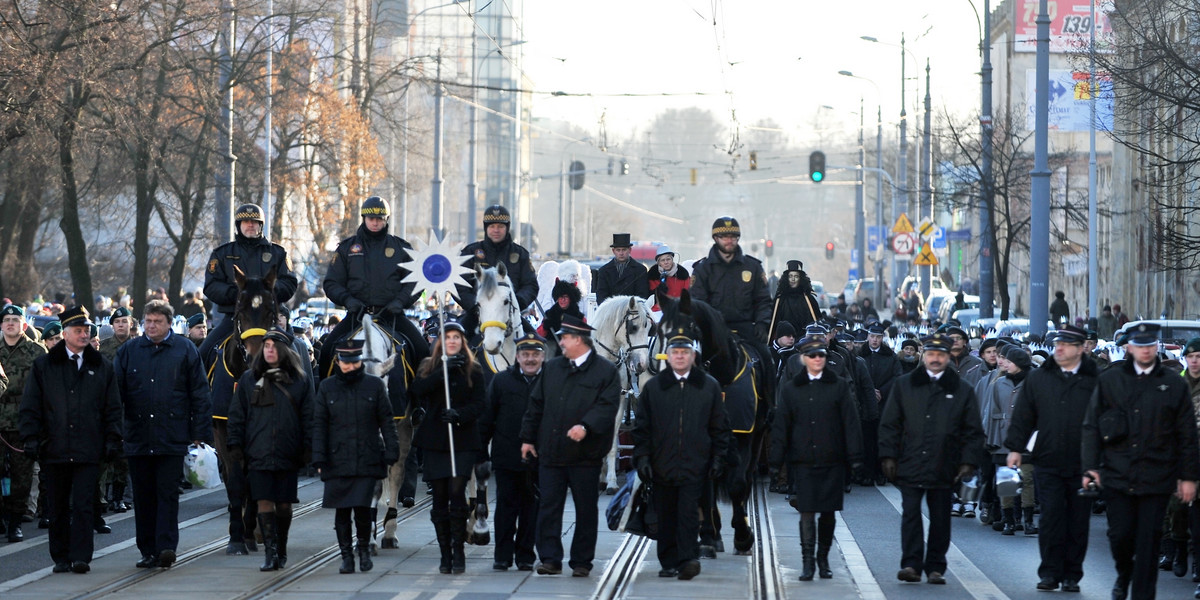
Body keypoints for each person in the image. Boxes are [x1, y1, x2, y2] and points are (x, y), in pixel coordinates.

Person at [1082, 322, 1199, 600]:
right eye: (1139, 345)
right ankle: (1124, 574)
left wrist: (1188, 476)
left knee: (1148, 541)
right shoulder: (1111, 380)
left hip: (1157, 474)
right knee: (1120, 536)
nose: (1145, 351)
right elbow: (1092, 426)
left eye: (1150, 345)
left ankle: (1143, 594)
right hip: (1117, 473)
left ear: (1155, 347)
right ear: (1129, 347)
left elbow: (1186, 434)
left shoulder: (1172, 384)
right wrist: (1090, 467)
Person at [18, 306, 122, 573]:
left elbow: (112, 407)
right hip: (54, 447)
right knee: (58, 506)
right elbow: (31, 405)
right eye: (78, 330)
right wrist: (30, 437)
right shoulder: (44, 365)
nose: (84, 335)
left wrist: (112, 438)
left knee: (85, 505)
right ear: (65, 334)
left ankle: (81, 557)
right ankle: (61, 556)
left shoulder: (102, 367)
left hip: (89, 447)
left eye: (86, 330)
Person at [878, 333, 986, 585]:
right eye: (931, 354)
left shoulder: (961, 389)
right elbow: (890, 424)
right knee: (911, 515)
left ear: (948, 357)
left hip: (945, 464)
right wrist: (888, 455)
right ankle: (911, 564)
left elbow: (972, 429)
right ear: (923, 356)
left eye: (940, 355)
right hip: (910, 461)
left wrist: (968, 461)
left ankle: (936, 566)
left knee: (940, 518)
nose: (935, 359)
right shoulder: (905, 384)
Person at [114, 299, 212, 568]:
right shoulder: (129, 351)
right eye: (148, 321)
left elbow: (199, 394)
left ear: (169, 323)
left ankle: (166, 546)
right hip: (138, 435)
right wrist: (117, 430)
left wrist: (199, 433)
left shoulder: (185, 350)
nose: (152, 326)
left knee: (167, 494)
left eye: (158, 322)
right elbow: (115, 394)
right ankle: (147, 549)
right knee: (144, 497)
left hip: (172, 436)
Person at [519, 315, 620, 578]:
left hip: (585, 456)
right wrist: (528, 439)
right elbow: (536, 405)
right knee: (549, 507)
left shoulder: (605, 371)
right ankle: (550, 559)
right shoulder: (552, 368)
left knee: (585, 509)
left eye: (564, 337)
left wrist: (586, 426)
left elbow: (607, 407)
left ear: (579, 340)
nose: (560, 342)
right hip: (551, 453)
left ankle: (581, 562)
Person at [1003, 325, 1098, 592]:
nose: (1058, 348)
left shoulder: (1095, 381)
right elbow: (1024, 415)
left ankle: (1071, 575)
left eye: (1066, 345)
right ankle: (1049, 573)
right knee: (1051, 518)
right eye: (1057, 343)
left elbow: (1106, 421)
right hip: (1048, 459)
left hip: (1083, 463)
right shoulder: (1039, 378)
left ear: (1080, 349)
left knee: (1078, 522)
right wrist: (1015, 448)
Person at [632, 327, 731, 581]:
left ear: (693, 356)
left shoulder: (708, 387)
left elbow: (719, 427)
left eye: (684, 352)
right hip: (661, 465)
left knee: (688, 515)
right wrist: (642, 458)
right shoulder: (654, 388)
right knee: (666, 517)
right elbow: (642, 428)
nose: (679, 356)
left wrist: (719, 458)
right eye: (674, 352)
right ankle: (668, 561)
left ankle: (688, 559)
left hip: (695, 465)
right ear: (668, 356)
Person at [771, 335, 863, 582]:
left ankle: (823, 558)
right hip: (803, 460)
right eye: (812, 355)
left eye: (821, 355)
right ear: (803, 359)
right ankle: (808, 561)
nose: (817, 359)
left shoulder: (839, 386)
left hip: (832, 459)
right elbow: (782, 425)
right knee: (807, 512)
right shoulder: (792, 389)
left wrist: (854, 457)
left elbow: (850, 423)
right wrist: (775, 460)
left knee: (829, 513)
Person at [226, 327, 313, 572]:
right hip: (258, 452)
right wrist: (235, 445)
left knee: (284, 505)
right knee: (264, 501)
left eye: (274, 346)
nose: (270, 349)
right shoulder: (249, 379)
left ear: (285, 351)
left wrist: (309, 448)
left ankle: (281, 547)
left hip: (287, 453)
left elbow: (310, 417)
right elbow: (237, 415)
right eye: (266, 346)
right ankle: (270, 552)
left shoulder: (300, 381)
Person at [311, 340, 400, 574]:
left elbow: (387, 421)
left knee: (362, 509)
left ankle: (363, 550)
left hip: (367, 457)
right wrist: (318, 457)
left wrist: (392, 450)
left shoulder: (374, 385)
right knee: (341, 512)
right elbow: (319, 424)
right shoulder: (327, 387)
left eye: (353, 362)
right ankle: (346, 556)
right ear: (338, 362)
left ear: (360, 360)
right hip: (337, 458)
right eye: (344, 362)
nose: (349, 367)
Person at [320, 195, 429, 378]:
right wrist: (349, 300)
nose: (375, 223)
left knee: (423, 351)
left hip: (391, 316)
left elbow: (415, 281)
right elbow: (331, 283)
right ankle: (322, 401)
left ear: (386, 220)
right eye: (372, 219)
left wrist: (399, 302)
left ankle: (421, 405)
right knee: (326, 351)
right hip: (357, 316)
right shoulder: (347, 248)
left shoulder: (401, 248)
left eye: (380, 219)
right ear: (364, 219)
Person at [410, 319, 486, 575]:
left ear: (462, 341)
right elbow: (418, 390)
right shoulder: (428, 366)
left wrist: (460, 415)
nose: (452, 341)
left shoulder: (473, 369)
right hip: (435, 440)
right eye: (448, 337)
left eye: (456, 337)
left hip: (463, 440)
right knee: (440, 496)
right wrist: (441, 371)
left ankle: (459, 551)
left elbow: (479, 404)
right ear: (441, 341)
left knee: (457, 491)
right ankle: (445, 553)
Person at [199, 203, 298, 361]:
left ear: (261, 225)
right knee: (202, 355)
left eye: (254, 221)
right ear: (239, 226)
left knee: (300, 354)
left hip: (269, 318)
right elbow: (211, 285)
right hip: (234, 317)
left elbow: (290, 282)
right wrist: (237, 294)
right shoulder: (222, 253)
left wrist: (267, 292)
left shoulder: (277, 253)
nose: (250, 225)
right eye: (246, 222)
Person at [480, 332, 545, 572]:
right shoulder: (501, 381)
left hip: (539, 458)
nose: (530, 359)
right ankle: (502, 556)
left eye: (535, 355)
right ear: (516, 356)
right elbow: (487, 418)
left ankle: (526, 555)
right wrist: (480, 453)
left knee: (532, 508)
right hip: (507, 456)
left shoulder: (549, 380)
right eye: (525, 354)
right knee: (506, 507)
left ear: (542, 356)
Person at [0, 304, 47, 542]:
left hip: (23, 420)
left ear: (23, 325)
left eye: (15, 320)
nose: (10, 323)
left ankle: (15, 521)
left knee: (21, 476)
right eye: (6, 319)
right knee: (1, 475)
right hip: (0, 419)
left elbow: (46, 388)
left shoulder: (36, 352)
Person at [457, 205, 539, 336]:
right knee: (452, 347)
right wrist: (476, 306)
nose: (496, 230)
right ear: (486, 228)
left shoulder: (520, 254)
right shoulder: (470, 253)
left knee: (537, 345)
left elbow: (531, 285)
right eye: (492, 226)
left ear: (507, 228)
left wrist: (515, 303)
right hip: (475, 316)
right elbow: (460, 285)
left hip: (510, 315)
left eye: (500, 226)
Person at [986, 346, 1034, 535]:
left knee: (1027, 478)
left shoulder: (1033, 381)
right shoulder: (999, 383)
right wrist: (992, 437)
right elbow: (992, 411)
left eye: (1009, 361)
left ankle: (1027, 519)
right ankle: (1008, 520)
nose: (1003, 363)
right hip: (1004, 436)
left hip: (1028, 436)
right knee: (1007, 479)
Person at [859, 323, 900, 484]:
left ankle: (881, 473)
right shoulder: (860, 354)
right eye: (872, 336)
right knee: (866, 439)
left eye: (878, 337)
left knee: (881, 439)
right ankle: (866, 473)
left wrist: (881, 391)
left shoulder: (890, 356)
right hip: (865, 403)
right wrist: (869, 392)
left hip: (883, 403)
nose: (875, 340)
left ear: (882, 338)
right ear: (867, 337)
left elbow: (897, 377)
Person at [769, 260, 822, 338]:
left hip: (805, 340)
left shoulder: (808, 298)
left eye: (796, 276)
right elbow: (773, 323)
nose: (793, 279)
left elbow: (817, 321)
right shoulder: (780, 299)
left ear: (801, 279)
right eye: (790, 276)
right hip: (784, 340)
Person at [595, 233, 650, 304]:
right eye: (618, 250)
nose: (621, 253)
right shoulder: (604, 271)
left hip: (632, 311)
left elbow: (642, 295)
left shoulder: (640, 270)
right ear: (613, 251)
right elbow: (601, 295)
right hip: (611, 311)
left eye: (624, 250)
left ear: (630, 250)